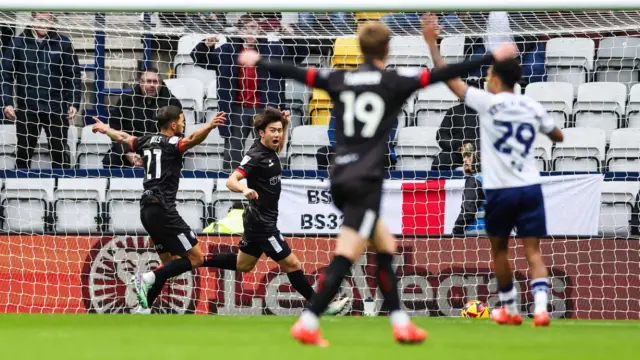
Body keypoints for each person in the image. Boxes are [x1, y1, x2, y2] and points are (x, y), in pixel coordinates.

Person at [238, 14, 517, 345]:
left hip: (340, 174)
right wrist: (490, 56)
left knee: (385, 246)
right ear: (387, 48)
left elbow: (299, 72)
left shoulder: (340, 79)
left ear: (359, 48)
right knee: (347, 253)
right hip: (365, 179)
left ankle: (400, 323)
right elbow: (443, 73)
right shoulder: (393, 82)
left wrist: (259, 60)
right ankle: (309, 321)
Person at [427, 15, 564, 327]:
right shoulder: (532, 105)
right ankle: (541, 309)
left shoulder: (487, 103)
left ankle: (510, 308)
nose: (486, 76)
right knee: (533, 252)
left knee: (500, 251)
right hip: (530, 187)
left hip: (501, 190)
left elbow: (449, 78)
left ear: (497, 78)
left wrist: (432, 44)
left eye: (489, 72)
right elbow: (558, 135)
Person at [207, 107, 350, 315]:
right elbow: (231, 180)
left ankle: (196, 260)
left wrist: (286, 124)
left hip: (260, 220)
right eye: (272, 130)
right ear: (261, 132)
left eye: (279, 130)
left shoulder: (270, 151)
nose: (277, 135)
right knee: (292, 263)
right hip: (262, 223)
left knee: (243, 264)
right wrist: (245, 188)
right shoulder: (255, 155)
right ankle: (320, 306)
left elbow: (279, 147)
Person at [92, 105, 226, 312]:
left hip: (147, 210)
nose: (183, 123)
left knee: (169, 264)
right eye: (181, 120)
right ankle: (148, 277)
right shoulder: (172, 142)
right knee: (196, 258)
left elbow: (122, 138)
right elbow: (190, 141)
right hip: (163, 208)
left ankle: (143, 307)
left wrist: (105, 129)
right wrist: (209, 126)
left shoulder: (146, 140)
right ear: (173, 124)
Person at [191, 14, 307, 171]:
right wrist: (206, 44)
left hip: (265, 109)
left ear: (259, 29)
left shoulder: (273, 49)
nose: (249, 31)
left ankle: (266, 182)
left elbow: (300, 54)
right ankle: (230, 188)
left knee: (266, 153)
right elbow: (199, 58)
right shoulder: (228, 51)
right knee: (233, 153)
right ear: (239, 31)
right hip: (236, 110)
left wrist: (290, 36)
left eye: (252, 27)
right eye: (245, 28)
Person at [1, 11, 81, 169]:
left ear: (53, 21)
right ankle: (20, 190)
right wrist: (7, 102)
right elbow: (5, 76)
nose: (44, 24)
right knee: (23, 152)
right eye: (40, 20)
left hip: (56, 108)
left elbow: (73, 76)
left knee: (59, 153)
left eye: (48, 20)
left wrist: (74, 102)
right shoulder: (19, 43)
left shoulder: (63, 43)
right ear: (32, 20)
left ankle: (61, 189)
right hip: (28, 108)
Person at [102, 68, 181, 168]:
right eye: (148, 81)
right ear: (141, 83)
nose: (152, 85)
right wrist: (127, 153)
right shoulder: (126, 100)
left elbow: (177, 132)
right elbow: (115, 128)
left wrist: (155, 153)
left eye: (155, 82)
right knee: (111, 160)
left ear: (161, 84)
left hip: (160, 151)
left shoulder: (172, 103)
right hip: (131, 148)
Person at [432, 102, 479, 171]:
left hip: (479, 153)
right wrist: (454, 145)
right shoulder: (453, 111)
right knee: (439, 162)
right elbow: (442, 135)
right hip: (456, 152)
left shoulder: (486, 111)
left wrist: (471, 147)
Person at [452, 143, 486, 236]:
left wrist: (456, 231)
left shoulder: (474, 181)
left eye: (468, 156)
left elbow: (468, 212)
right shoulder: (497, 179)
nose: (464, 160)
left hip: (477, 233)